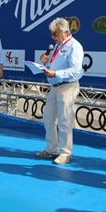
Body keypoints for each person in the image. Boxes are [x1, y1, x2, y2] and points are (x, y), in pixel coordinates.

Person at [35, 17, 84, 165]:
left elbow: (76, 70)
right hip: (55, 87)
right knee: (48, 118)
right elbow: (54, 67)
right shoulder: (57, 46)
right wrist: (45, 64)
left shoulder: (75, 46)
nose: (52, 37)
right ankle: (52, 149)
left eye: (55, 34)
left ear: (65, 32)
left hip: (68, 86)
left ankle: (66, 153)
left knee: (64, 121)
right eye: (52, 34)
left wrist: (56, 73)